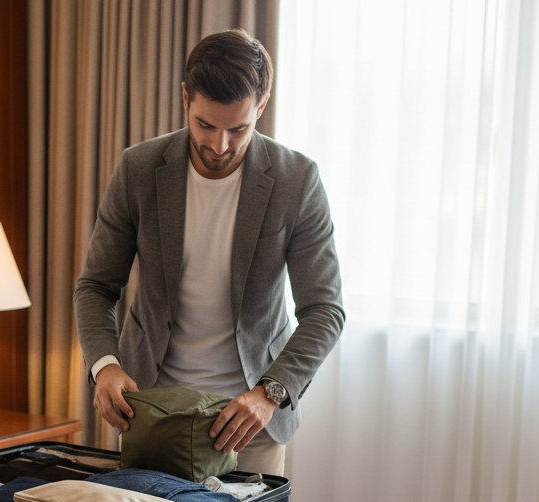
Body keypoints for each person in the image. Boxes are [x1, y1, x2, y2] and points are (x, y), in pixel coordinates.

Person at [74, 29, 344, 476]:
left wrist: (270, 393)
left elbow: (325, 309)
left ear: (261, 107)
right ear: (185, 98)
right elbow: (96, 286)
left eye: (238, 128)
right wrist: (105, 366)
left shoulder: (297, 180)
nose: (220, 145)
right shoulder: (138, 169)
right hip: (153, 412)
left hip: (251, 421)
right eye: (206, 125)